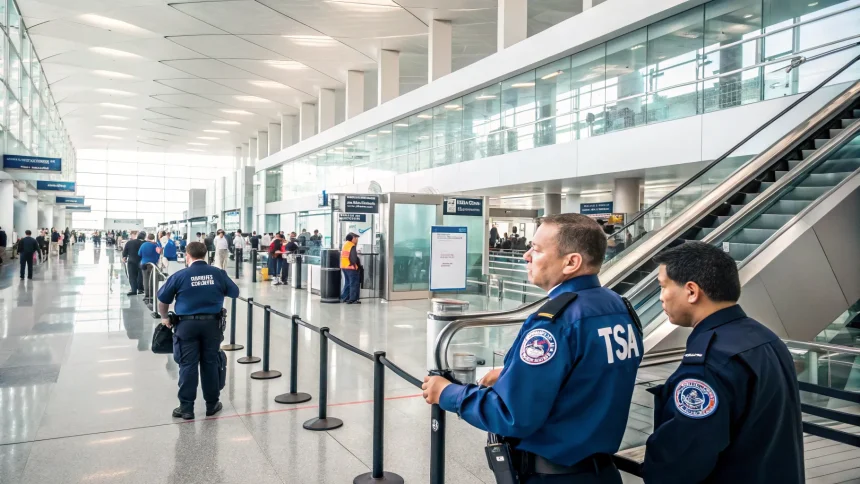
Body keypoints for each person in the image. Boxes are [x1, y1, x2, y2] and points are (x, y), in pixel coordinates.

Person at [421, 213, 642, 484]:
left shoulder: (555, 322)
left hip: (553, 475)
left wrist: (447, 393)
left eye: (536, 249)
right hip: (602, 473)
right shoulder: (621, 308)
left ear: (571, 262)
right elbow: (585, 374)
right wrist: (512, 373)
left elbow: (513, 415)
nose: (526, 255)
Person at [642, 242, 803, 483]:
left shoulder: (709, 363)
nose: (661, 298)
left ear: (692, 291)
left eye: (663, 287)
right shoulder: (766, 338)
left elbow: (681, 459)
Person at [157, 241, 239, 420]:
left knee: (188, 365)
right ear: (206, 255)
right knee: (210, 363)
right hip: (212, 325)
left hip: (186, 326)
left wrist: (164, 318)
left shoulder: (180, 275)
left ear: (188, 255)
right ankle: (212, 404)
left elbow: (163, 299)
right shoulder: (218, 273)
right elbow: (234, 292)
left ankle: (186, 408)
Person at [340, 233, 362, 304]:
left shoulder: (345, 244)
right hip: (351, 267)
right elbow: (353, 258)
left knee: (348, 283)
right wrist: (355, 265)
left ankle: (345, 298)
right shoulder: (351, 245)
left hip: (344, 266)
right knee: (354, 283)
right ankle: (353, 299)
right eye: (356, 238)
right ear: (352, 238)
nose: (357, 239)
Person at [139, 233, 161, 304]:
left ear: (147, 238)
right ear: (154, 237)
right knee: (153, 281)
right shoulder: (156, 245)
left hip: (144, 264)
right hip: (153, 265)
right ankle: (152, 296)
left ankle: (146, 296)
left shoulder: (143, 245)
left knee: (145, 280)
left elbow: (139, 254)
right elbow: (158, 254)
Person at [123, 232, 145, 296]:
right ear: (144, 237)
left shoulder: (129, 242)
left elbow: (125, 252)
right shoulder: (145, 243)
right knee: (140, 275)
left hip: (131, 261)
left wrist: (124, 257)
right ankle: (141, 289)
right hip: (142, 261)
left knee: (132, 276)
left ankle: (134, 290)